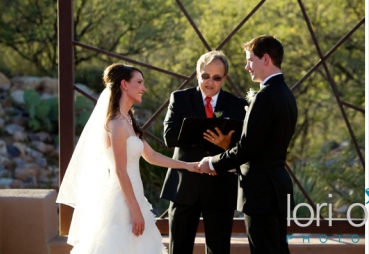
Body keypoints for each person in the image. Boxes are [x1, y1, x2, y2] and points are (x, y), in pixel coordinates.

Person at [56, 63, 199, 253]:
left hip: (135, 195)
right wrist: (135, 210)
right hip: (122, 202)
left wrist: (187, 165)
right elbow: (120, 170)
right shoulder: (116, 124)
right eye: (139, 82)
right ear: (124, 84)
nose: (143, 88)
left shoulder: (128, 120)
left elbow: (151, 155)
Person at [194, 35, 297, 254]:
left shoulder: (265, 97)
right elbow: (264, 143)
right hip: (277, 186)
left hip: (261, 191)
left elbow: (247, 148)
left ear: (265, 59)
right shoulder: (286, 94)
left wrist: (212, 163)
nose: (247, 66)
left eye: (250, 60)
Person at [160, 51, 248, 254]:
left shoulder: (238, 105)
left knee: (219, 249)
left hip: (220, 187)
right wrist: (204, 133)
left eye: (216, 78)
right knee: (178, 248)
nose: (210, 82)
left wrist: (226, 145)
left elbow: (244, 147)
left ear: (224, 78)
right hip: (185, 185)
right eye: (205, 76)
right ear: (197, 74)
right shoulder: (180, 98)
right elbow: (170, 137)